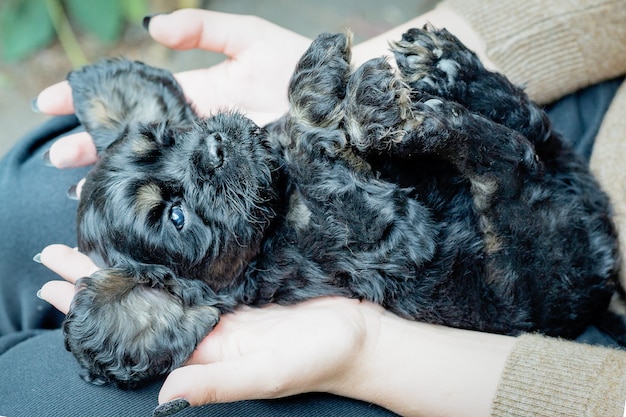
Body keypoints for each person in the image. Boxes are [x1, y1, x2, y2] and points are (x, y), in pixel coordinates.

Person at [1, 1, 626, 416]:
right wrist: (331, 111)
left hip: (538, 314)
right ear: (174, 298)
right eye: (177, 215)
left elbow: (401, 240)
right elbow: (392, 226)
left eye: (171, 136)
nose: (205, 144)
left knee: (38, 399)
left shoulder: (283, 220)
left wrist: (367, 355)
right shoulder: (269, 222)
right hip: (559, 148)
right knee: (16, 206)